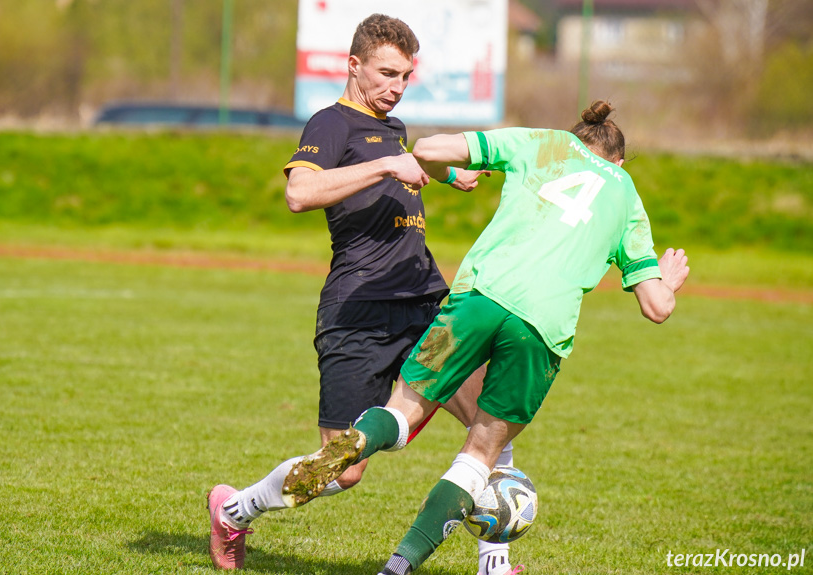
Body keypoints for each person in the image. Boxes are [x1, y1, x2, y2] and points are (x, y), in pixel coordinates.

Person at [208, 99, 690, 575]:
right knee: (484, 449)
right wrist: (666, 279)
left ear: (577, 138)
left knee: (398, 418)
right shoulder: (625, 191)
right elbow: (656, 307)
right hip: (540, 330)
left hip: (472, 304)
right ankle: (395, 566)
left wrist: (450, 171)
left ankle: (487, 560)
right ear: (620, 163)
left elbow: (429, 148)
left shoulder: (542, 143)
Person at [206, 13, 513, 574]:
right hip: (357, 313)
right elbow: (300, 193)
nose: (396, 87)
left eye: (405, 77)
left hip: (425, 303)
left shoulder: (392, 129)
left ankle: (495, 564)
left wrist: (447, 174)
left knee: (489, 421)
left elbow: (403, 161)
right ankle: (234, 509)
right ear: (353, 66)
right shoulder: (330, 123)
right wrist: (386, 166)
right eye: (386, 73)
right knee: (343, 468)